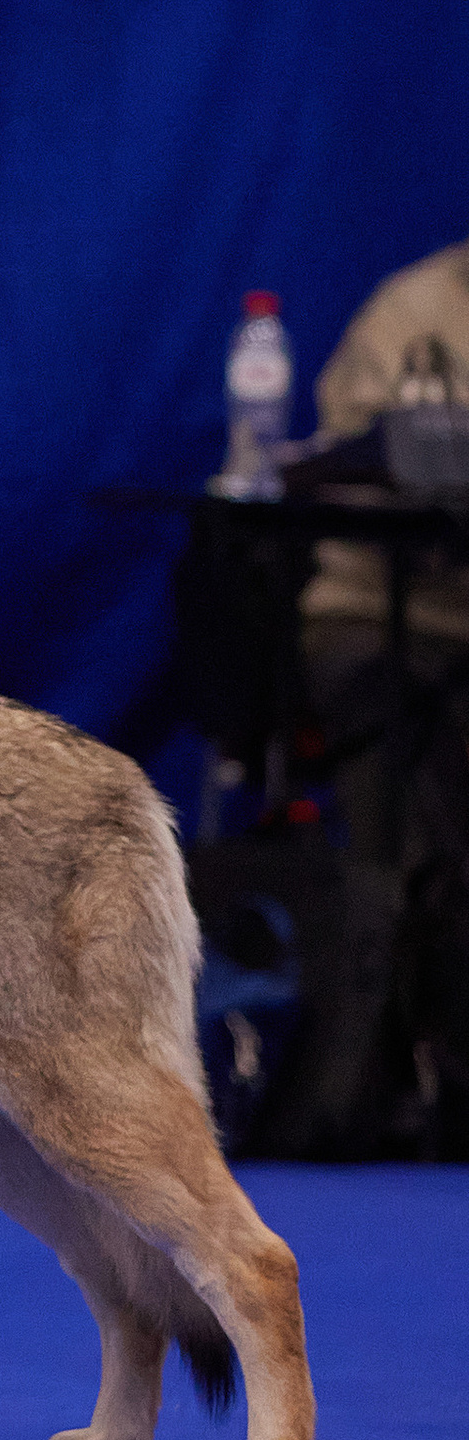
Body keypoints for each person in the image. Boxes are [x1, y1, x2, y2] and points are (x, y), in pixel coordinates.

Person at [279, 232, 469, 1155]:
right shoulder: (413, 309)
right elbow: (335, 461)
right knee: (418, 757)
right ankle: (389, 1057)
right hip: (374, 613)